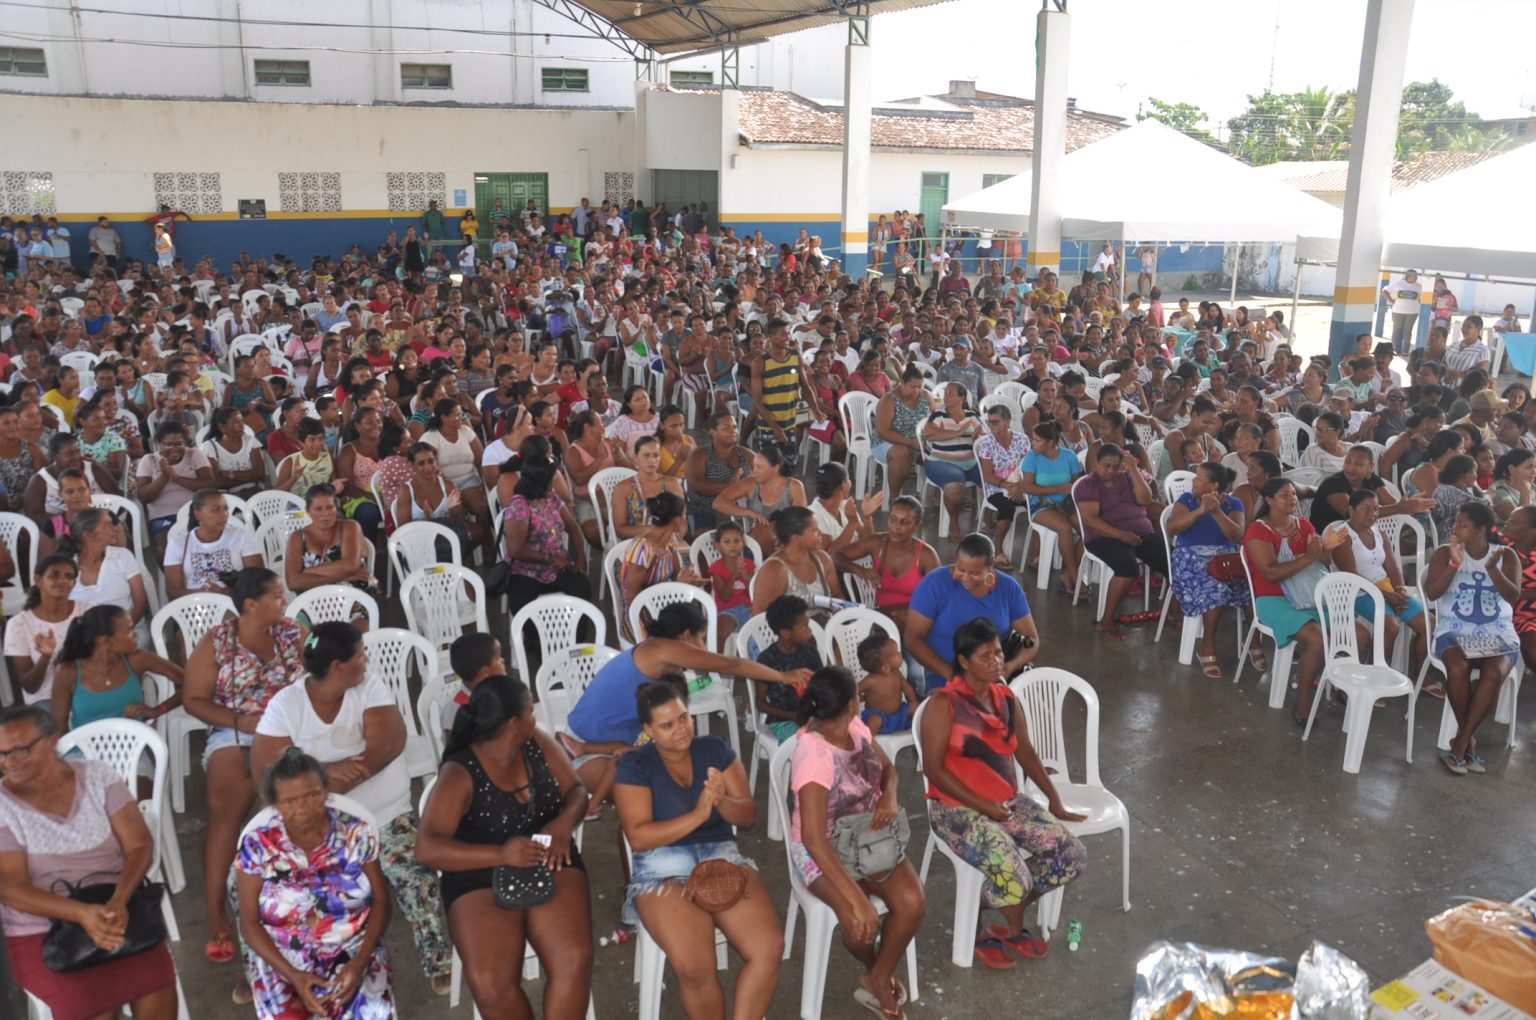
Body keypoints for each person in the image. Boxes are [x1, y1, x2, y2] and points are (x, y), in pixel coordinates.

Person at [249, 622, 452, 993]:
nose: (366, 659)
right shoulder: (287, 704)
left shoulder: (369, 686)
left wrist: (328, 782)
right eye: (360, 654)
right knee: (277, 893)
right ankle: (283, 972)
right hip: (320, 827)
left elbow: (388, 742)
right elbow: (267, 772)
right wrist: (329, 776)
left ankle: (438, 960)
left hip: (386, 813)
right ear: (337, 666)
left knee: (417, 879)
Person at [416, 676, 593, 1018]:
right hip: (477, 869)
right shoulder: (459, 772)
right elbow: (426, 848)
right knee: (490, 984)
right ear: (513, 723)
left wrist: (563, 823)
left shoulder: (536, 741)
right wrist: (501, 854)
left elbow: (577, 790)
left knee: (573, 958)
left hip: (547, 853)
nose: (534, 716)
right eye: (530, 711)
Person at [917, 618, 1087, 970]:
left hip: (1006, 802)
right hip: (956, 811)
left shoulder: (1006, 697)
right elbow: (933, 769)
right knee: (1016, 879)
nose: (996, 662)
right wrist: (983, 806)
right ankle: (978, 920)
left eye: (997, 653)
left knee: (1072, 856)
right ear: (963, 661)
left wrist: (1053, 799)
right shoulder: (943, 704)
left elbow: (1025, 751)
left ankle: (1009, 906)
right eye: (985, 656)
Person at [613, 679, 784, 1020]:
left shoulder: (714, 749)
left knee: (768, 948)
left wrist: (720, 801)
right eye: (666, 725)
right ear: (648, 729)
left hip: (721, 855)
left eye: (683, 718)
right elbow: (639, 838)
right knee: (694, 967)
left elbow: (747, 816)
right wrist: (697, 815)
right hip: (661, 866)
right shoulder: (635, 766)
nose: (680, 729)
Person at [0, 704, 181, 1020]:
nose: (9, 762)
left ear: (51, 741)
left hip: (115, 909)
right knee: (94, 1008)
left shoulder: (97, 775)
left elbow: (139, 845)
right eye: (2, 754)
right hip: (42, 930)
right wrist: (81, 914)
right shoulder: (4, 806)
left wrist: (119, 901)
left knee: (157, 993)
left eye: (21, 750)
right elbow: (12, 889)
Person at [182, 567, 305, 967]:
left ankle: (300, 894)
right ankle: (216, 913)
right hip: (234, 732)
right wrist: (240, 721)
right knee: (225, 812)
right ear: (252, 604)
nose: (284, 600)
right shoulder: (217, 642)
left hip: (288, 732)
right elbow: (193, 699)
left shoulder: (293, 632)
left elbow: (320, 672)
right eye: (276, 595)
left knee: (293, 805)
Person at [788, 666, 924, 1020]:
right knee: (860, 922)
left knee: (912, 902)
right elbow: (813, 839)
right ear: (852, 702)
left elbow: (889, 769)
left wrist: (889, 795)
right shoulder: (814, 756)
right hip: (821, 849)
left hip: (866, 834)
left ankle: (877, 975)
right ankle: (877, 970)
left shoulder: (854, 727)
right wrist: (856, 898)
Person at [237, 751, 395, 1019]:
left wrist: (359, 963)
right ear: (274, 803)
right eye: (290, 801)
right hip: (282, 960)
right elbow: (249, 923)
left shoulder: (355, 833)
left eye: (312, 795)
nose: (303, 808)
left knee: (369, 1013)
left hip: (354, 950)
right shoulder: (257, 845)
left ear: (326, 791)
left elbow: (381, 901)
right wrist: (294, 976)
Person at [563, 602, 810, 758]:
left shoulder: (658, 650)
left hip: (598, 725)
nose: (703, 645)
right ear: (685, 635)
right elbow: (731, 664)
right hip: (593, 730)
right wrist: (782, 676)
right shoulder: (664, 649)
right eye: (701, 638)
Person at [1422, 502, 1520, 775]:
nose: (1455, 528)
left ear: (1481, 529)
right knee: (1457, 668)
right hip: (1454, 629)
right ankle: (1468, 742)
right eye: (1456, 523)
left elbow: (1513, 597)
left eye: (1462, 524)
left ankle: (1461, 741)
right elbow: (1433, 593)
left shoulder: (1506, 556)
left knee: (1493, 673)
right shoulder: (1444, 553)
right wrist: (1455, 563)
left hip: (1497, 631)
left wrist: (1493, 570)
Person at [1243, 478, 1349, 725]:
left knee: (1359, 633)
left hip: (1307, 594)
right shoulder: (1258, 530)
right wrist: (1309, 556)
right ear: (1269, 500)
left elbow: (1320, 566)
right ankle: (1302, 702)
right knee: (1317, 639)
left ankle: (1340, 686)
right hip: (1274, 598)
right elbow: (1270, 573)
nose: (1292, 499)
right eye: (1284, 495)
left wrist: (1326, 549)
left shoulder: (1303, 524)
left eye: (1293, 494)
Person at [905, 534, 1039, 694]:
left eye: (975, 573)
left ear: (991, 567)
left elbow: (1032, 639)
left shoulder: (1009, 589)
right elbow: (912, 638)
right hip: (944, 680)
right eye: (961, 569)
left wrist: (1011, 666)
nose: (966, 578)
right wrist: (952, 674)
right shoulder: (935, 584)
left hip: (995, 682)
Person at [502, 449, 592, 677]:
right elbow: (515, 549)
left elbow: (573, 528)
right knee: (521, 601)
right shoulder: (519, 506)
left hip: (557, 567)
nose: (557, 478)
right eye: (554, 476)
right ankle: (540, 645)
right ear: (542, 479)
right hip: (526, 570)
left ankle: (573, 645)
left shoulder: (552, 499)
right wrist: (551, 559)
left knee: (581, 587)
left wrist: (581, 561)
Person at [1331, 489, 1429, 678]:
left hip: (1385, 587)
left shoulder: (1379, 533)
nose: (1372, 514)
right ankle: (1376, 677)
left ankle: (1421, 679)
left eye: (1376, 509)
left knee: (1428, 624)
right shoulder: (1342, 536)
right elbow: (1352, 576)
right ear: (1351, 510)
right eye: (1366, 509)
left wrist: (1400, 591)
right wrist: (1387, 595)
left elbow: (1393, 567)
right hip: (1356, 592)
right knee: (1390, 627)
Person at [1167, 463, 1252, 678]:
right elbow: (1172, 528)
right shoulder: (1187, 500)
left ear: (1214, 485)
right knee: (1216, 590)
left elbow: (1237, 535)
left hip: (1224, 561)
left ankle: (1255, 642)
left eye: (1199, 478)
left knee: (1253, 585)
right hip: (1189, 560)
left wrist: (1215, 511)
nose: (1193, 481)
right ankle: (1207, 646)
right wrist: (1200, 511)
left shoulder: (1233, 503)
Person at [1075, 442, 1168, 639]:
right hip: (1103, 536)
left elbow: (1145, 500)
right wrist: (1123, 536)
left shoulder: (1128, 477)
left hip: (1140, 534)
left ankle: (1174, 613)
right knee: (1127, 568)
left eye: (1116, 466)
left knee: (1175, 561)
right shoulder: (1088, 484)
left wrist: (1133, 470)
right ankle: (1106, 622)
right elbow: (1091, 521)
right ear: (1097, 464)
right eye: (1106, 466)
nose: (1111, 471)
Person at [49, 603, 180, 734]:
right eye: (129, 630)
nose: (136, 635)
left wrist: (157, 710)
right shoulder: (68, 672)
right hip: (84, 746)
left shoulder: (137, 659)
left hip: (133, 744)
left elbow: (188, 682)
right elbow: (59, 728)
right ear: (107, 641)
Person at [618, 491, 702, 645]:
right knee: (685, 634)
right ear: (677, 520)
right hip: (642, 614)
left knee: (694, 620)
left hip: (665, 604)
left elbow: (677, 575)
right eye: (684, 514)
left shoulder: (672, 540)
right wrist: (677, 586)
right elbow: (632, 597)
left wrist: (687, 579)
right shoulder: (642, 549)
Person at [4, 555, 86, 708]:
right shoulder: (19, 625)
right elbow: (30, 687)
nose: (62, 581)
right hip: (46, 699)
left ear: (74, 583)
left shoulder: (87, 612)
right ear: (38, 580)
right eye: (54, 575)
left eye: (69, 576)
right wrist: (46, 656)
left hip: (87, 692)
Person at [64, 506, 151, 643]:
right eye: (107, 525)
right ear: (88, 536)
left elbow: (140, 601)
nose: (115, 528)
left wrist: (123, 631)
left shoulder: (123, 556)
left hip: (128, 630)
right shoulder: (66, 567)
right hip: (85, 637)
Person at [1018, 421, 1084, 595]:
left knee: (1088, 530)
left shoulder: (1069, 456)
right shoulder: (1032, 457)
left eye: (1037, 440)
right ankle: (1074, 576)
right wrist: (1057, 489)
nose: (1033, 443)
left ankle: (1067, 573)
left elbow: (1077, 484)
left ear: (1050, 442)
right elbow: (1028, 488)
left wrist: (1071, 488)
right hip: (1040, 503)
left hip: (1066, 502)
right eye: (1032, 439)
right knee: (1065, 528)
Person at [164, 489, 262, 600]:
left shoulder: (241, 536)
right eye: (216, 510)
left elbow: (257, 580)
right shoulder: (177, 544)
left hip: (235, 601)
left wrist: (226, 592)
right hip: (196, 604)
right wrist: (202, 594)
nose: (224, 514)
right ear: (198, 514)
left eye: (226, 509)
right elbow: (172, 592)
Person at [748, 506, 846, 616]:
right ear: (796, 538)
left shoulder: (823, 559)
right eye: (814, 530)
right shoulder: (774, 570)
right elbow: (759, 617)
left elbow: (837, 595)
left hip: (827, 624)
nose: (820, 533)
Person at [753, 595, 825, 741]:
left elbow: (822, 685)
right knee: (808, 742)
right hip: (782, 722)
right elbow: (760, 703)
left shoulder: (810, 651)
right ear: (785, 633)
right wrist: (794, 716)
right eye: (804, 627)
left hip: (812, 716)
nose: (809, 631)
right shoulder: (767, 659)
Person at [285, 484, 374, 600]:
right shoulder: (298, 537)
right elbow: (293, 582)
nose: (325, 514)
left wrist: (307, 571)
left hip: (352, 596)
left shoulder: (350, 526)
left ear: (336, 507)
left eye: (330, 507)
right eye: (318, 509)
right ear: (308, 511)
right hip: (312, 601)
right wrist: (343, 576)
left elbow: (350, 566)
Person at [714, 446, 807, 557]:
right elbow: (718, 503)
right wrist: (750, 513)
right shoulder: (751, 483)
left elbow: (801, 521)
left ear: (775, 469)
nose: (754, 471)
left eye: (759, 467)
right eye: (754, 466)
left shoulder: (794, 487)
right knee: (762, 530)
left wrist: (783, 539)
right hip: (755, 544)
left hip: (784, 543)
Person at [976, 403, 1032, 573]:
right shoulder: (986, 444)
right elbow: (987, 475)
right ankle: (998, 551)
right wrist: (1008, 486)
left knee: (1038, 504)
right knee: (1006, 507)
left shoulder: (1022, 440)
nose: (991, 426)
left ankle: (1036, 555)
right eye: (989, 422)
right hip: (996, 487)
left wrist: (1019, 487)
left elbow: (1028, 467)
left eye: (996, 422)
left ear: (1007, 422)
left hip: (1020, 485)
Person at [871, 366, 933, 502]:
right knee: (902, 454)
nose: (917, 390)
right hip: (887, 441)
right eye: (913, 387)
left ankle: (937, 496)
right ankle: (894, 498)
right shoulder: (889, 400)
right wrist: (910, 442)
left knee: (940, 454)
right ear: (902, 383)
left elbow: (936, 419)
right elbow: (883, 431)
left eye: (920, 386)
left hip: (918, 441)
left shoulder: (926, 396)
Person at [684, 411, 752, 533]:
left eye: (735, 427)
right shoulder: (700, 454)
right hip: (706, 511)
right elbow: (696, 485)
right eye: (726, 428)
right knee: (707, 538)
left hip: (742, 510)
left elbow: (765, 476)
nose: (733, 431)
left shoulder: (746, 454)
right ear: (712, 432)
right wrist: (731, 486)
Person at [611, 434, 687, 541]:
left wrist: (673, 540)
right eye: (646, 455)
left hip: (668, 542)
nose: (652, 460)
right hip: (636, 544)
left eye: (656, 455)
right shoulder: (623, 488)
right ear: (636, 458)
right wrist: (653, 531)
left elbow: (682, 522)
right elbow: (620, 530)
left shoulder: (672, 484)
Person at [856, 633, 918, 736]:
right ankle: (868, 742)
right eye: (896, 654)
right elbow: (853, 691)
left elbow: (907, 689)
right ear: (885, 667)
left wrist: (914, 703)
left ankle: (918, 737)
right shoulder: (871, 681)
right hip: (880, 718)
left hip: (899, 714)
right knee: (874, 721)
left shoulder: (897, 673)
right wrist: (862, 698)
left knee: (915, 707)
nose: (900, 653)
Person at [707, 520, 756, 641]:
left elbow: (753, 595)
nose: (733, 545)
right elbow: (725, 597)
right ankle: (716, 654)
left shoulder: (749, 565)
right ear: (718, 545)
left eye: (736, 541)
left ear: (743, 543)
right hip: (727, 610)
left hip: (748, 608)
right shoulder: (716, 569)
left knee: (756, 632)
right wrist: (733, 577)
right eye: (727, 542)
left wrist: (747, 580)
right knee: (720, 633)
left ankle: (747, 653)